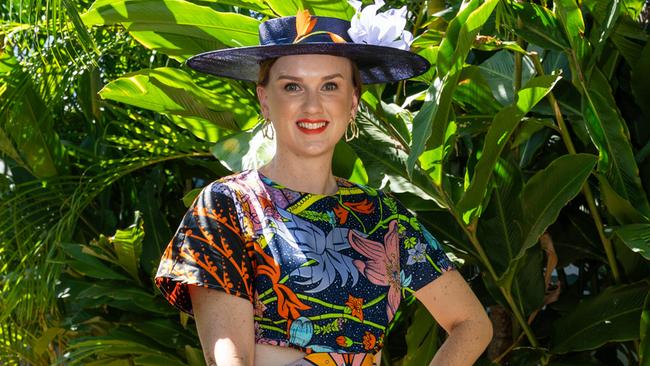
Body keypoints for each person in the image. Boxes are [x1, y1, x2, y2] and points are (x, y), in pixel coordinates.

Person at [155, 6, 492, 366]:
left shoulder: (383, 218)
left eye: (330, 85)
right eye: (292, 86)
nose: (312, 105)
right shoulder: (229, 205)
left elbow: (472, 323)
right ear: (265, 100)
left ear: (352, 103)